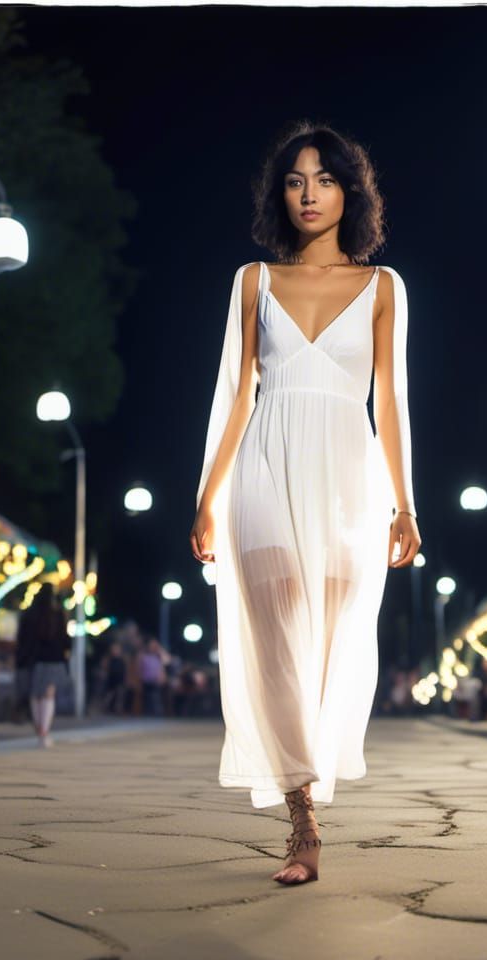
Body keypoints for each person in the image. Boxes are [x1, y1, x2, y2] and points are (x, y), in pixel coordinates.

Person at [189, 122, 420, 886]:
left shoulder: (384, 288)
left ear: (349, 190)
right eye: (295, 180)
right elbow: (233, 396)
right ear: (279, 194)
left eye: (323, 179)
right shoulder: (253, 281)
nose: (309, 193)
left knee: (330, 649)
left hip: (350, 477)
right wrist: (205, 498)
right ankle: (302, 822)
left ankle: (310, 780)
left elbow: (391, 404)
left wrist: (405, 504)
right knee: (278, 645)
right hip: (262, 470)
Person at [24, 582, 70, 747]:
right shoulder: (58, 615)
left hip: (37, 659)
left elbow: (26, 639)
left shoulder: (32, 614)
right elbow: (66, 639)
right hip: (55, 659)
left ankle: (40, 729)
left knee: (36, 694)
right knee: (48, 695)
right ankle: (44, 731)